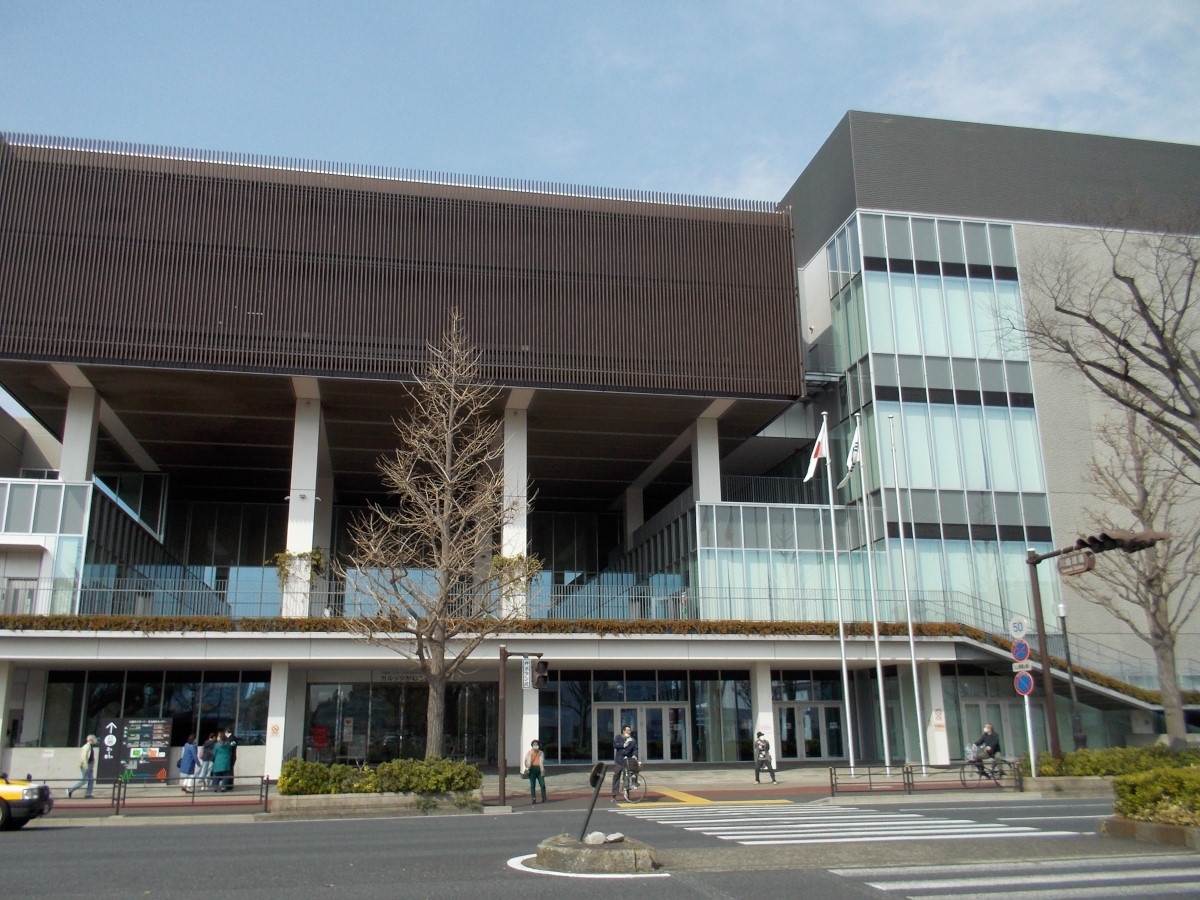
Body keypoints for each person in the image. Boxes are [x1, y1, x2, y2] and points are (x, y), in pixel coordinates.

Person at [67, 734, 99, 799]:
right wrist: (85, 765)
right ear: (91, 740)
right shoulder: (86, 747)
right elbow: (83, 757)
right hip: (86, 765)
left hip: (90, 765)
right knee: (84, 780)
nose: (95, 741)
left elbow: (90, 756)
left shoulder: (90, 747)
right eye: (94, 739)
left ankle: (88, 794)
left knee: (91, 780)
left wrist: (93, 762)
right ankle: (70, 790)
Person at [610, 725, 637, 801]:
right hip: (619, 760)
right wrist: (623, 745)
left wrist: (634, 755)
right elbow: (615, 745)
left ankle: (627, 794)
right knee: (616, 775)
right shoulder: (618, 737)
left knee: (628, 776)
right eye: (627, 730)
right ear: (624, 731)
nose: (629, 732)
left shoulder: (632, 740)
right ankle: (614, 794)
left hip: (628, 760)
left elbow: (635, 749)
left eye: (630, 730)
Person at [521, 739, 548, 805]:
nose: (535, 746)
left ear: (538, 745)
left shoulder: (541, 753)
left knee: (542, 784)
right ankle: (533, 799)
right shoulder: (529, 753)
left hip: (539, 769)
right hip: (532, 769)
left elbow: (542, 761)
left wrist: (542, 768)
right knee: (533, 785)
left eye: (536, 744)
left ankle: (544, 798)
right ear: (532, 746)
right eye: (534, 745)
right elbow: (526, 761)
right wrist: (528, 766)